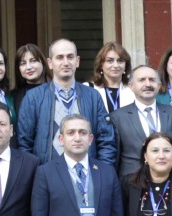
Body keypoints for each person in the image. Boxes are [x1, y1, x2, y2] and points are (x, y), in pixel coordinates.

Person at [15, 38, 119, 166]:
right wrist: (35, 176)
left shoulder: (93, 96)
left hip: (87, 176)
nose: (65, 62)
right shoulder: (33, 97)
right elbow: (24, 144)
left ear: (77, 61)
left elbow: (106, 140)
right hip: (46, 177)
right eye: (59, 57)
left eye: (70, 57)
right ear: (50, 63)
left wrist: (102, 174)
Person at [112, 64, 172, 181]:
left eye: (152, 80)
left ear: (159, 86)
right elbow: (115, 158)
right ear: (131, 85)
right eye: (142, 80)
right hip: (131, 184)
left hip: (170, 182)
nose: (148, 84)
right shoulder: (117, 117)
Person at [90, 41, 131, 114]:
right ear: (101, 64)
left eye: (120, 61)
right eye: (110, 61)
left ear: (126, 65)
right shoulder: (89, 89)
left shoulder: (133, 89)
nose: (116, 65)